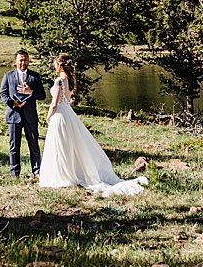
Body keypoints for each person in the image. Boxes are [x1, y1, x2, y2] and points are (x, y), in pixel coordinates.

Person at [37, 54, 147, 196]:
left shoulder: (59, 81)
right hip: (68, 113)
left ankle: (63, 174)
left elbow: (55, 103)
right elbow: (67, 100)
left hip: (60, 114)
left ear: (59, 65)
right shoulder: (69, 81)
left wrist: (48, 116)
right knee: (69, 144)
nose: (54, 67)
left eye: (55, 64)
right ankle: (70, 172)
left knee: (60, 145)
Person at [0, 49, 45, 178]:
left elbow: (42, 95)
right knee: (14, 146)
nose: (23, 62)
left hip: (30, 116)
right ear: (16, 61)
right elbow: (2, 94)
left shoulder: (35, 76)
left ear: (28, 60)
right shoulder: (8, 75)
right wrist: (13, 103)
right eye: (20, 59)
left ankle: (37, 171)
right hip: (14, 116)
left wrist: (30, 91)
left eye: (25, 59)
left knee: (34, 145)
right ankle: (15, 172)